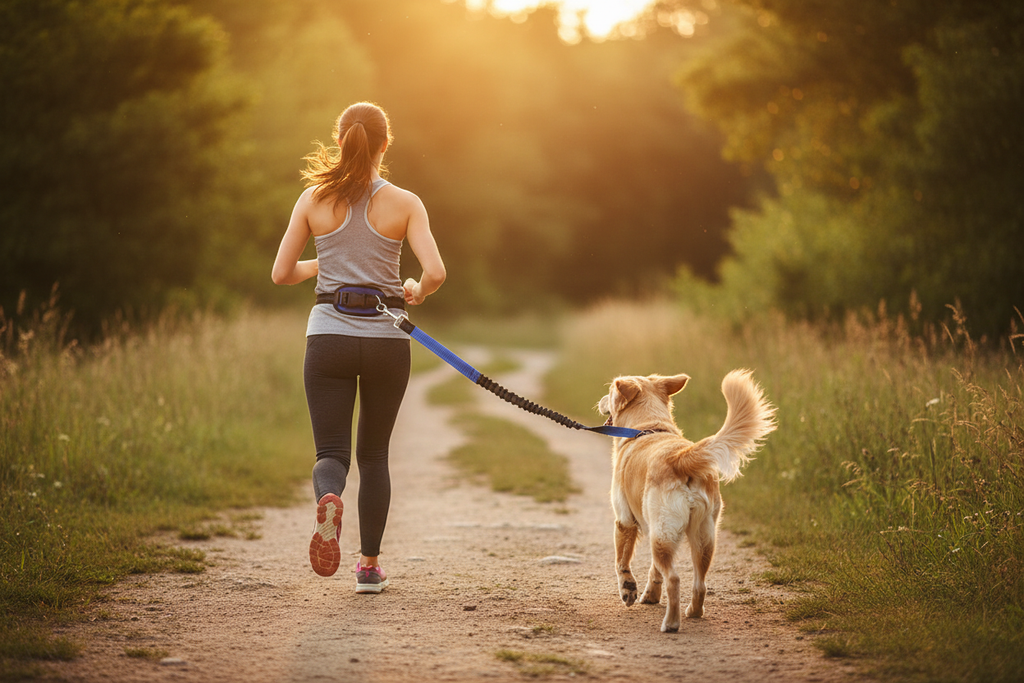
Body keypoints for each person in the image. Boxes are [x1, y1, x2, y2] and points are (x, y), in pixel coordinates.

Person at [271, 102, 446, 593]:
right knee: (374, 456)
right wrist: (416, 290)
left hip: (328, 335)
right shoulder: (406, 202)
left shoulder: (313, 199)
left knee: (332, 451)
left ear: (341, 138)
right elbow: (435, 272)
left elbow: (282, 274)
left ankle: (329, 497)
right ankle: (368, 568)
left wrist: (321, 266)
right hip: (388, 338)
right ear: (385, 144)